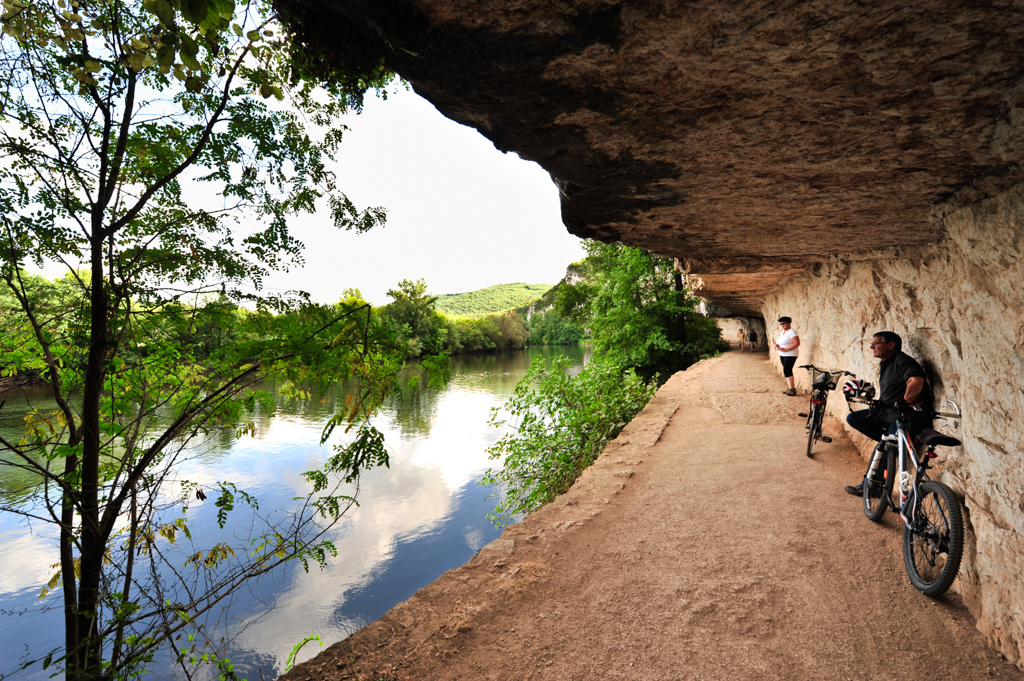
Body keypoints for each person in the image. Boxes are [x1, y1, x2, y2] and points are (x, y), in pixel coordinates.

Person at [844, 331, 933, 496]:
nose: (872, 346)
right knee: (854, 418)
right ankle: (891, 444)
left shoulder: (902, 360)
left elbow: (916, 380)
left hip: (904, 416)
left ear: (891, 345)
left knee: (887, 447)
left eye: (876, 343)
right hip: (887, 413)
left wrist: (907, 398)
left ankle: (873, 486)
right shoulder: (886, 363)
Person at [774, 317, 800, 395]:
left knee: (787, 370)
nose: (782, 325)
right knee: (786, 370)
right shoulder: (783, 332)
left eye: (783, 323)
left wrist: (785, 349)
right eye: (781, 324)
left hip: (790, 354)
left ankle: (792, 389)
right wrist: (778, 345)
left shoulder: (792, 332)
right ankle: (790, 387)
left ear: (789, 323)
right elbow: (783, 341)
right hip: (782, 354)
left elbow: (797, 343)